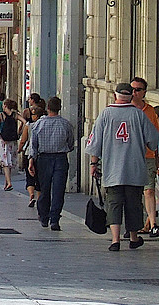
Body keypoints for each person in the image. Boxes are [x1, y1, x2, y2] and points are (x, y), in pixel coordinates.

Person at [87, 82, 159, 251]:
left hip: (112, 170)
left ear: (115, 96)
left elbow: (95, 143)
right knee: (134, 204)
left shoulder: (105, 114)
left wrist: (93, 163)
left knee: (114, 203)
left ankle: (115, 240)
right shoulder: (139, 115)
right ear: (131, 96)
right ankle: (133, 238)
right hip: (135, 170)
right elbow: (153, 141)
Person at [28, 96, 76, 231]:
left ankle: (43, 216)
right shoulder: (66, 124)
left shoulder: (39, 124)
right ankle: (55, 219)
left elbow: (34, 145)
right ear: (59, 108)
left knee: (44, 189)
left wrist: (31, 160)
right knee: (58, 190)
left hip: (43, 159)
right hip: (60, 158)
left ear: (47, 108)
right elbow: (71, 144)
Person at [130, 77, 159, 236]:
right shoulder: (125, 109)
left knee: (149, 191)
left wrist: (156, 157)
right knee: (133, 192)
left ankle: (153, 224)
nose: (134, 93)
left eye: (138, 90)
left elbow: (155, 135)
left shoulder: (150, 111)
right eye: (132, 89)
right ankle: (135, 225)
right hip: (130, 157)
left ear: (144, 93)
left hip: (147, 156)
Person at [0, 99, 24, 192]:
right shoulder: (15, 115)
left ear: (5, 106)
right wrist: (19, 131)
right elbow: (24, 121)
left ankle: (9, 182)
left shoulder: (0, 115)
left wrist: (0, 136)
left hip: (4, 141)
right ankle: (6, 183)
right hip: (13, 141)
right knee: (9, 161)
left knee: (5, 163)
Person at [17, 105, 44, 208]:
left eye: (33, 115)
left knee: (30, 176)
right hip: (40, 154)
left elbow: (23, 140)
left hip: (29, 153)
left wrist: (19, 149)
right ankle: (40, 198)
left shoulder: (29, 125)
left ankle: (31, 195)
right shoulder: (44, 124)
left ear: (36, 116)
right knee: (39, 178)